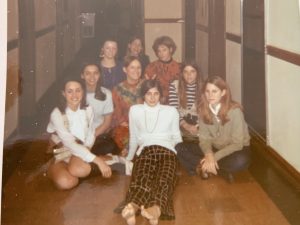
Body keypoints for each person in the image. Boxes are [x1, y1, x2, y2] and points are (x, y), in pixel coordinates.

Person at [121, 80, 182, 225]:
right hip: (146, 151)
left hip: (167, 152)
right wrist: (129, 159)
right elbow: (134, 137)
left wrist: (171, 151)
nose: (152, 97)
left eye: (156, 94)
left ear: (160, 95)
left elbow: (177, 138)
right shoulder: (135, 110)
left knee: (165, 178)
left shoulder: (171, 111)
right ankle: (133, 206)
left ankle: (155, 210)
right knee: (142, 176)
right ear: (143, 95)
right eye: (148, 94)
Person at [178, 76, 251, 182]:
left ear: (223, 92)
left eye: (214, 91)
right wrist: (208, 154)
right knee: (179, 147)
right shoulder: (203, 109)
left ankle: (202, 166)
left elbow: (237, 144)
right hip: (215, 147)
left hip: (235, 149)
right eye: (207, 91)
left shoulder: (235, 111)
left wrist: (214, 157)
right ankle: (220, 171)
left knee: (241, 161)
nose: (210, 95)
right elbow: (204, 139)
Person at [47, 78, 112, 190]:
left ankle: (81, 165)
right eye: (70, 91)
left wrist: (86, 149)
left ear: (83, 92)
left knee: (81, 170)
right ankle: (54, 169)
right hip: (60, 152)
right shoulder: (57, 114)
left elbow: (91, 134)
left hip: (79, 150)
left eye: (78, 90)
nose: (74, 95)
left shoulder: (88, 109)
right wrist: (97, 161)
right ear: (63, 93)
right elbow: (69, 143)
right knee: (66, 183)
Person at [168, 60, 203, 175]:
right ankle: (199, 164)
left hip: (198, 128)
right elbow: (173, 111)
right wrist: (185, 125)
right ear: (182, 73)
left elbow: (206, 112)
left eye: (192, 71)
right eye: (185, 72)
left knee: (202, 147)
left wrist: (197, 127)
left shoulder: (204, 87)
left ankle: (193, 166)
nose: (189, 75)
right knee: (174, 146)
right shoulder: (175, 86)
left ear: (197, 73)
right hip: (180, 126)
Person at [80, 62, 119, 156]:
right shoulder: (77, 93)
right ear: (82, 75)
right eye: (88, 73)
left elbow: (106, 123)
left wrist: (90, 138)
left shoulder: (106, 94)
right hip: (79, 135)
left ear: (99, 75)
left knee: (110, 147)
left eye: (95, 73)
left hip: (97, 134)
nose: (92, 77)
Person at [111, 56, 143, 156]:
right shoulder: (118, 89)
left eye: (139, 67)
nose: (136, 70)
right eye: (132, 67)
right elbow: (117, 112)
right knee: (122, 137)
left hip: (146, 124)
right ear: (125, 69)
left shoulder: (146, 85)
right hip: (127, 125)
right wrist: (122, 122)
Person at [144, 36, 180, 104]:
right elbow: (146, 89)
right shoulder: (151, 67)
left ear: (171, 49)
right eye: (159, 51)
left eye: (164, 50)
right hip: (155, 102)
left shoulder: (179, 68)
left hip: (175, 103)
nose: (161, 53)